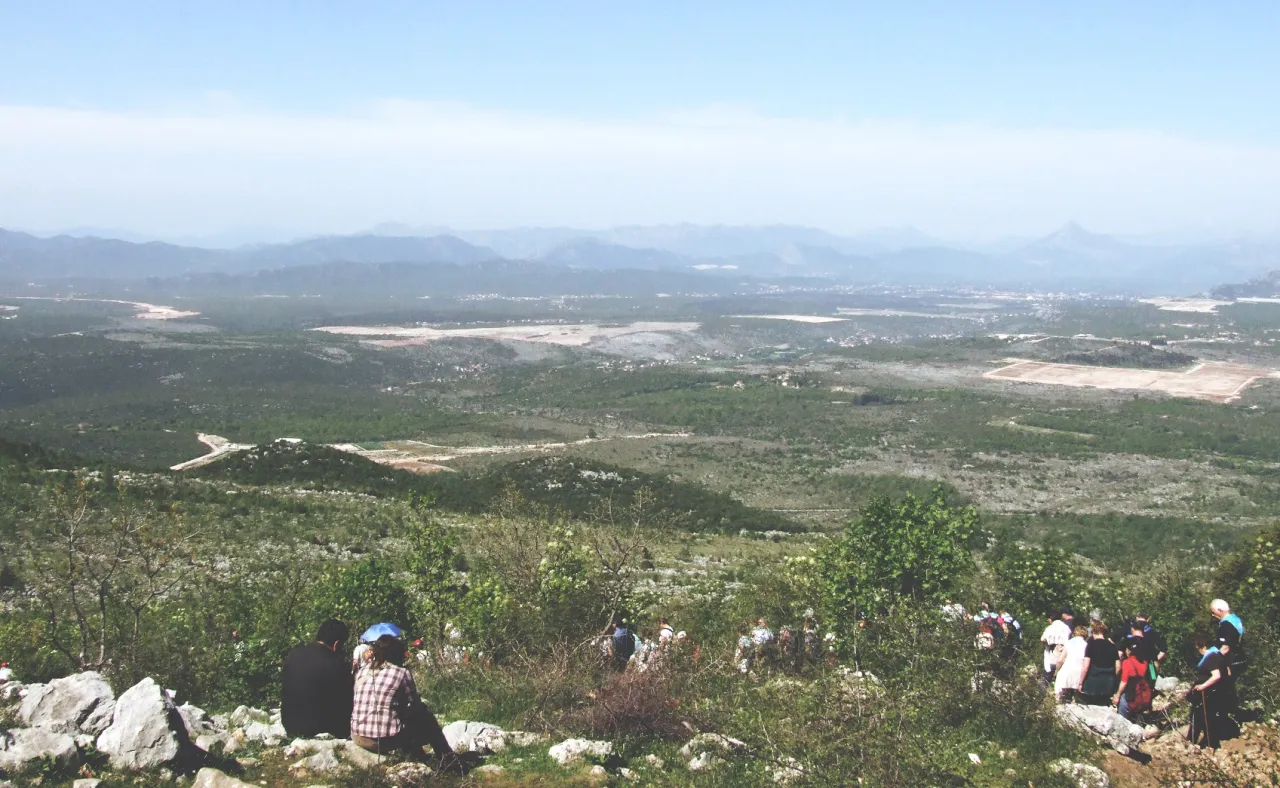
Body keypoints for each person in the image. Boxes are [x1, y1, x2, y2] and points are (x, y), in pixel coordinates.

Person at [351, 635, 457, 764]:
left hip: (357, 736)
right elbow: (415, 705)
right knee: (426, 718)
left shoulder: (362, 671)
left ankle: (419, 756)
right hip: (383, 740)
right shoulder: (401, 672)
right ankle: (447, 759)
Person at [282, 619, 355, 739]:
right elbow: (347, 702)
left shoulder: (294, 654)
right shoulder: (338, 665)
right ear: (336, 644)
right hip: (321, 729)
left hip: (290, 725)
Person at [1188, 635, 1230, 749]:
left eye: (1199, 648)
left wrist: (1203, 686)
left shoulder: (1211, 657)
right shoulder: (1219, 655)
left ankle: (1191, 743)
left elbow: (1216, 675)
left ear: (1204, 646)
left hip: (1207, 693)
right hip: (1216, 693)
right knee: (1208, 719)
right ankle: (1210, 744)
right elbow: (1228, 673)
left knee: (1198, 717)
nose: (1199, 651)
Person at [1079, 622, 1120, 705]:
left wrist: (1080, 682)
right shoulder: (1113, 646)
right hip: (1108, 684)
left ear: (1094, 631)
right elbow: (1118, 667)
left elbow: (1086, 666)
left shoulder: (1091, 645)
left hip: (1092, 683)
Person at [1113, 640, 1152, 722]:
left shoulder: (1127, 662)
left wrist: (1117, 695)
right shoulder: (1146, 662)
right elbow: (1152, 677)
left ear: (1128, 650)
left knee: (1122, 721)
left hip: (1129, 697)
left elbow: (1124, 682)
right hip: (1142, 697)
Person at [1054, 625, 1089, 703]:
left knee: (1061, 698)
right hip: (1080, 673)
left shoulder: (1069, 642)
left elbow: (1060, 660)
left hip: (1067, 671)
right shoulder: (1087, 645)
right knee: (1077, 701)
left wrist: (1056, 671)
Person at [1040, 608, 1072, 687]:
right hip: (1063, 658)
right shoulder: (1066, 628)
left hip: (1051, 657)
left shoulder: (1050, 628)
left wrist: (1047, 643)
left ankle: (1042, 697)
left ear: (1050, 618)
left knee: (1045, 681)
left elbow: (1043, 639)